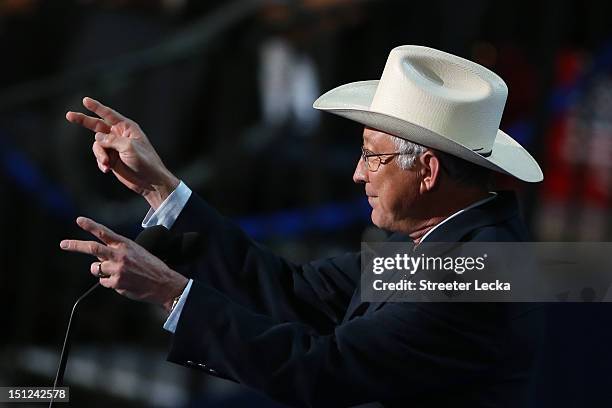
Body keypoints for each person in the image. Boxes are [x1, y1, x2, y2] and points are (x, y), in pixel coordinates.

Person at [61, 45, 544, 407]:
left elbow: (321, 370)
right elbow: (293, 292)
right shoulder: (454, 242)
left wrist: (171, 293)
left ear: (428, 171)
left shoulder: (473, 269)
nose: (357, 173)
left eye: (371, 155)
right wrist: (161, 189)